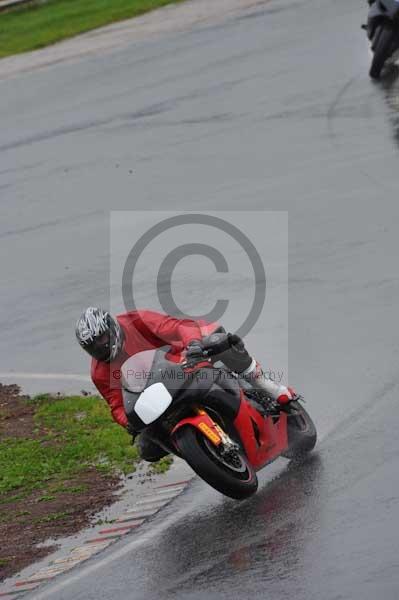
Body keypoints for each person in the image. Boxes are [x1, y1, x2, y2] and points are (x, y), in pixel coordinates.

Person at [75, 307, 297, 462]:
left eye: (103, 339)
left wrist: (192, 345)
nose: (101, 347)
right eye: (93, 346)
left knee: (218, 340)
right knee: (147, 447)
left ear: (111, 328)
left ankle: (271, 388)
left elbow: (178, 327)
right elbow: (116, 405)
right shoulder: (100, 371)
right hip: (158, 391)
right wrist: (128, 421)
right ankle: (205, 452)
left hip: (185, 359)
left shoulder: (137, 321)